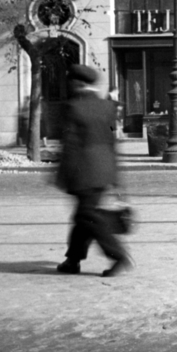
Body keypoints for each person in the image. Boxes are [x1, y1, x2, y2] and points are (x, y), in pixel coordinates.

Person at [55, 64, 131, 276]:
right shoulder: (108, 107)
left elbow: (70, 144)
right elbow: (112, 141)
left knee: (88, 216)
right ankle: (72, 260)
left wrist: (63, 176)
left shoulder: (73, 107)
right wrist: (115, 176)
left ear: (76, 83)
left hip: (83, 171)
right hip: (105, 169)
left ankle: (118, 255)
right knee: (83, 216)